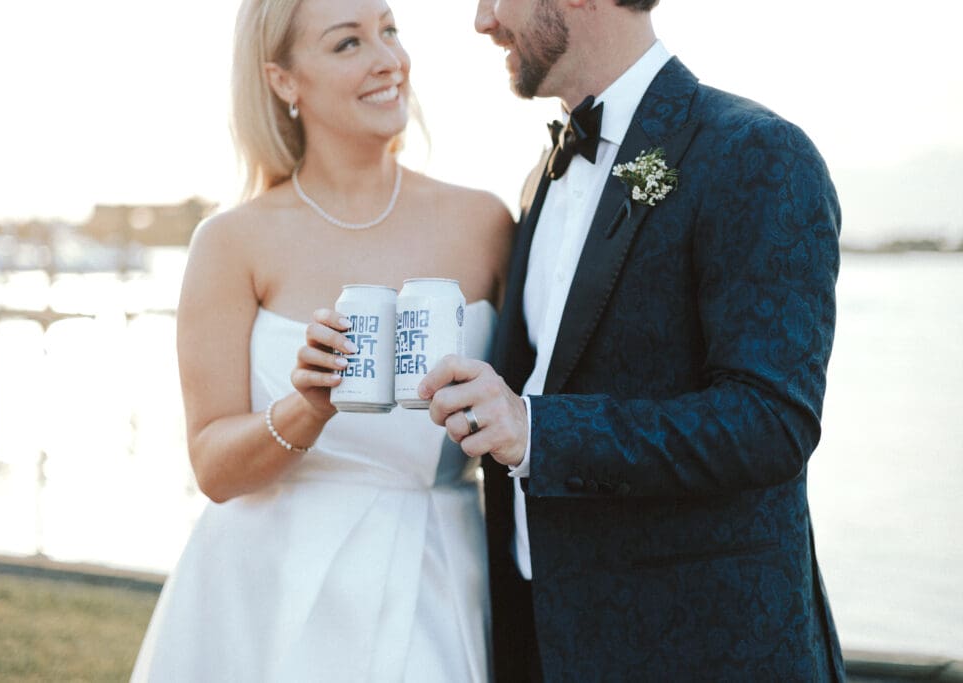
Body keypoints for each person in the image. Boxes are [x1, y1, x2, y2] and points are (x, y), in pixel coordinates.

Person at [418, 0, 846, 680]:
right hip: (544, 642)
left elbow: (771, 420)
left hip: (702, 651)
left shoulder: (757, 152)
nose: (483, 21)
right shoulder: (542, 177)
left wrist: (538, 431)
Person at [130, 0, 512, 680]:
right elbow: (212, 466)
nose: (388, 59)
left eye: (389, 31)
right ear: (283, 81)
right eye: (347, 44)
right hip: (266, 588)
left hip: (441, 572)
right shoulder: (231, 242)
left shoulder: (484, 222)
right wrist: (305, 408)